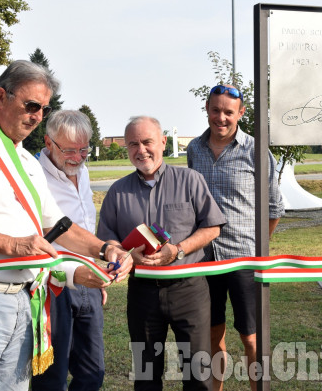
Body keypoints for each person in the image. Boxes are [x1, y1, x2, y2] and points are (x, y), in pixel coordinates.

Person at [0, 60, 132, 391]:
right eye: (31, 105)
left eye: (44, 110)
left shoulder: (25, 160)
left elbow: (59, 225)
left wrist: (107, 248)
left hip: (19, 300)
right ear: (1, 97)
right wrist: (14, 245)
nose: (37, 116)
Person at [97, 116, 226, 391]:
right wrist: (126, 254)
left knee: (198, 373)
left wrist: (178, 250)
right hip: (143, 293)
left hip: (189, 289)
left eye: (147, 142)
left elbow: (213, 226)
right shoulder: (117, 192)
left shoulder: (190, 180)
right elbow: (106, 238)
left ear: (164, 142)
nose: (141, 150)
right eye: (133, 144)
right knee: (145, 375)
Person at [187, 84, 285, 391]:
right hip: (205, 260)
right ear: (207, 109)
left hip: (244, 259)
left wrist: (259, 250)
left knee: (251, 338)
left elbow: (274, 207)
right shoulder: (194, 149)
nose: (221, 117)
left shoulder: (256, 151)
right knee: (212, 338)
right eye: (215, 110)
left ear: (240, 113)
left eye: (228, 112)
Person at [31, 110, 107, 391]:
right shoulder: (33, 176)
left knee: (92, 372)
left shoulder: (82, 171)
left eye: (84, 149)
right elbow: (34, 241)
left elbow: (85, 224)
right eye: (70, 150)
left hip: (89, 281)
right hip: (54, 284)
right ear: (48, 142)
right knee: (52, 378)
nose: (78, 157)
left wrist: (96, 277)